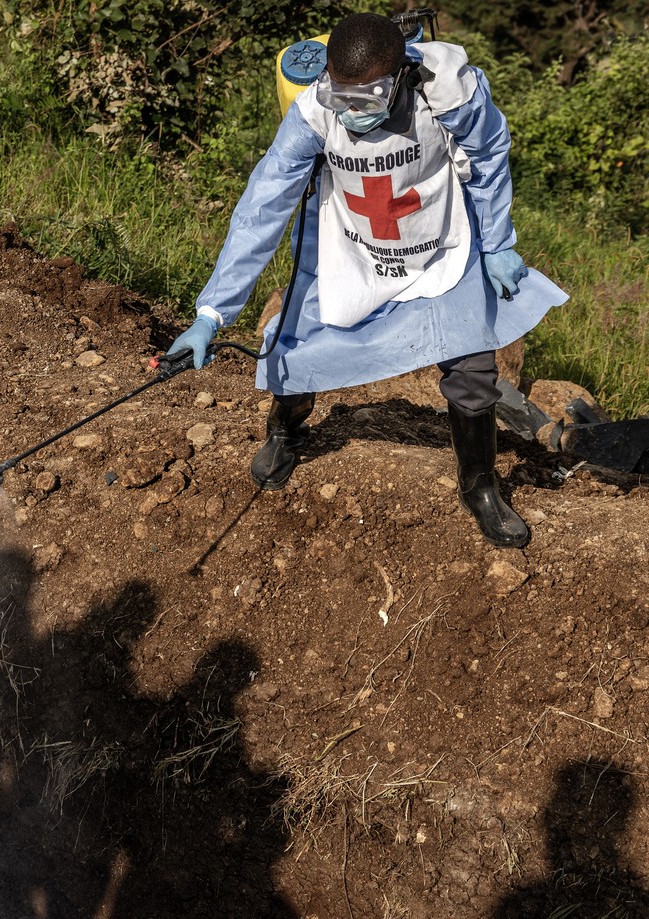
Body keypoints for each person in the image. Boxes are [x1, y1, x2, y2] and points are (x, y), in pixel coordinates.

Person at [167, 13, 567, 548]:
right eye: (341, 97)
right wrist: (211, 313)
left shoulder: (448, 94)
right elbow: (262, 206)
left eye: (369, 99)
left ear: (400, 75)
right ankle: (285, 431)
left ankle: (480, 485)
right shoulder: (312, 114)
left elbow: (490, 154)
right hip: (351, 242)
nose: (352, 113)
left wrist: (497, 243)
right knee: (296, 342)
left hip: (437, 245)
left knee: (473, 362)